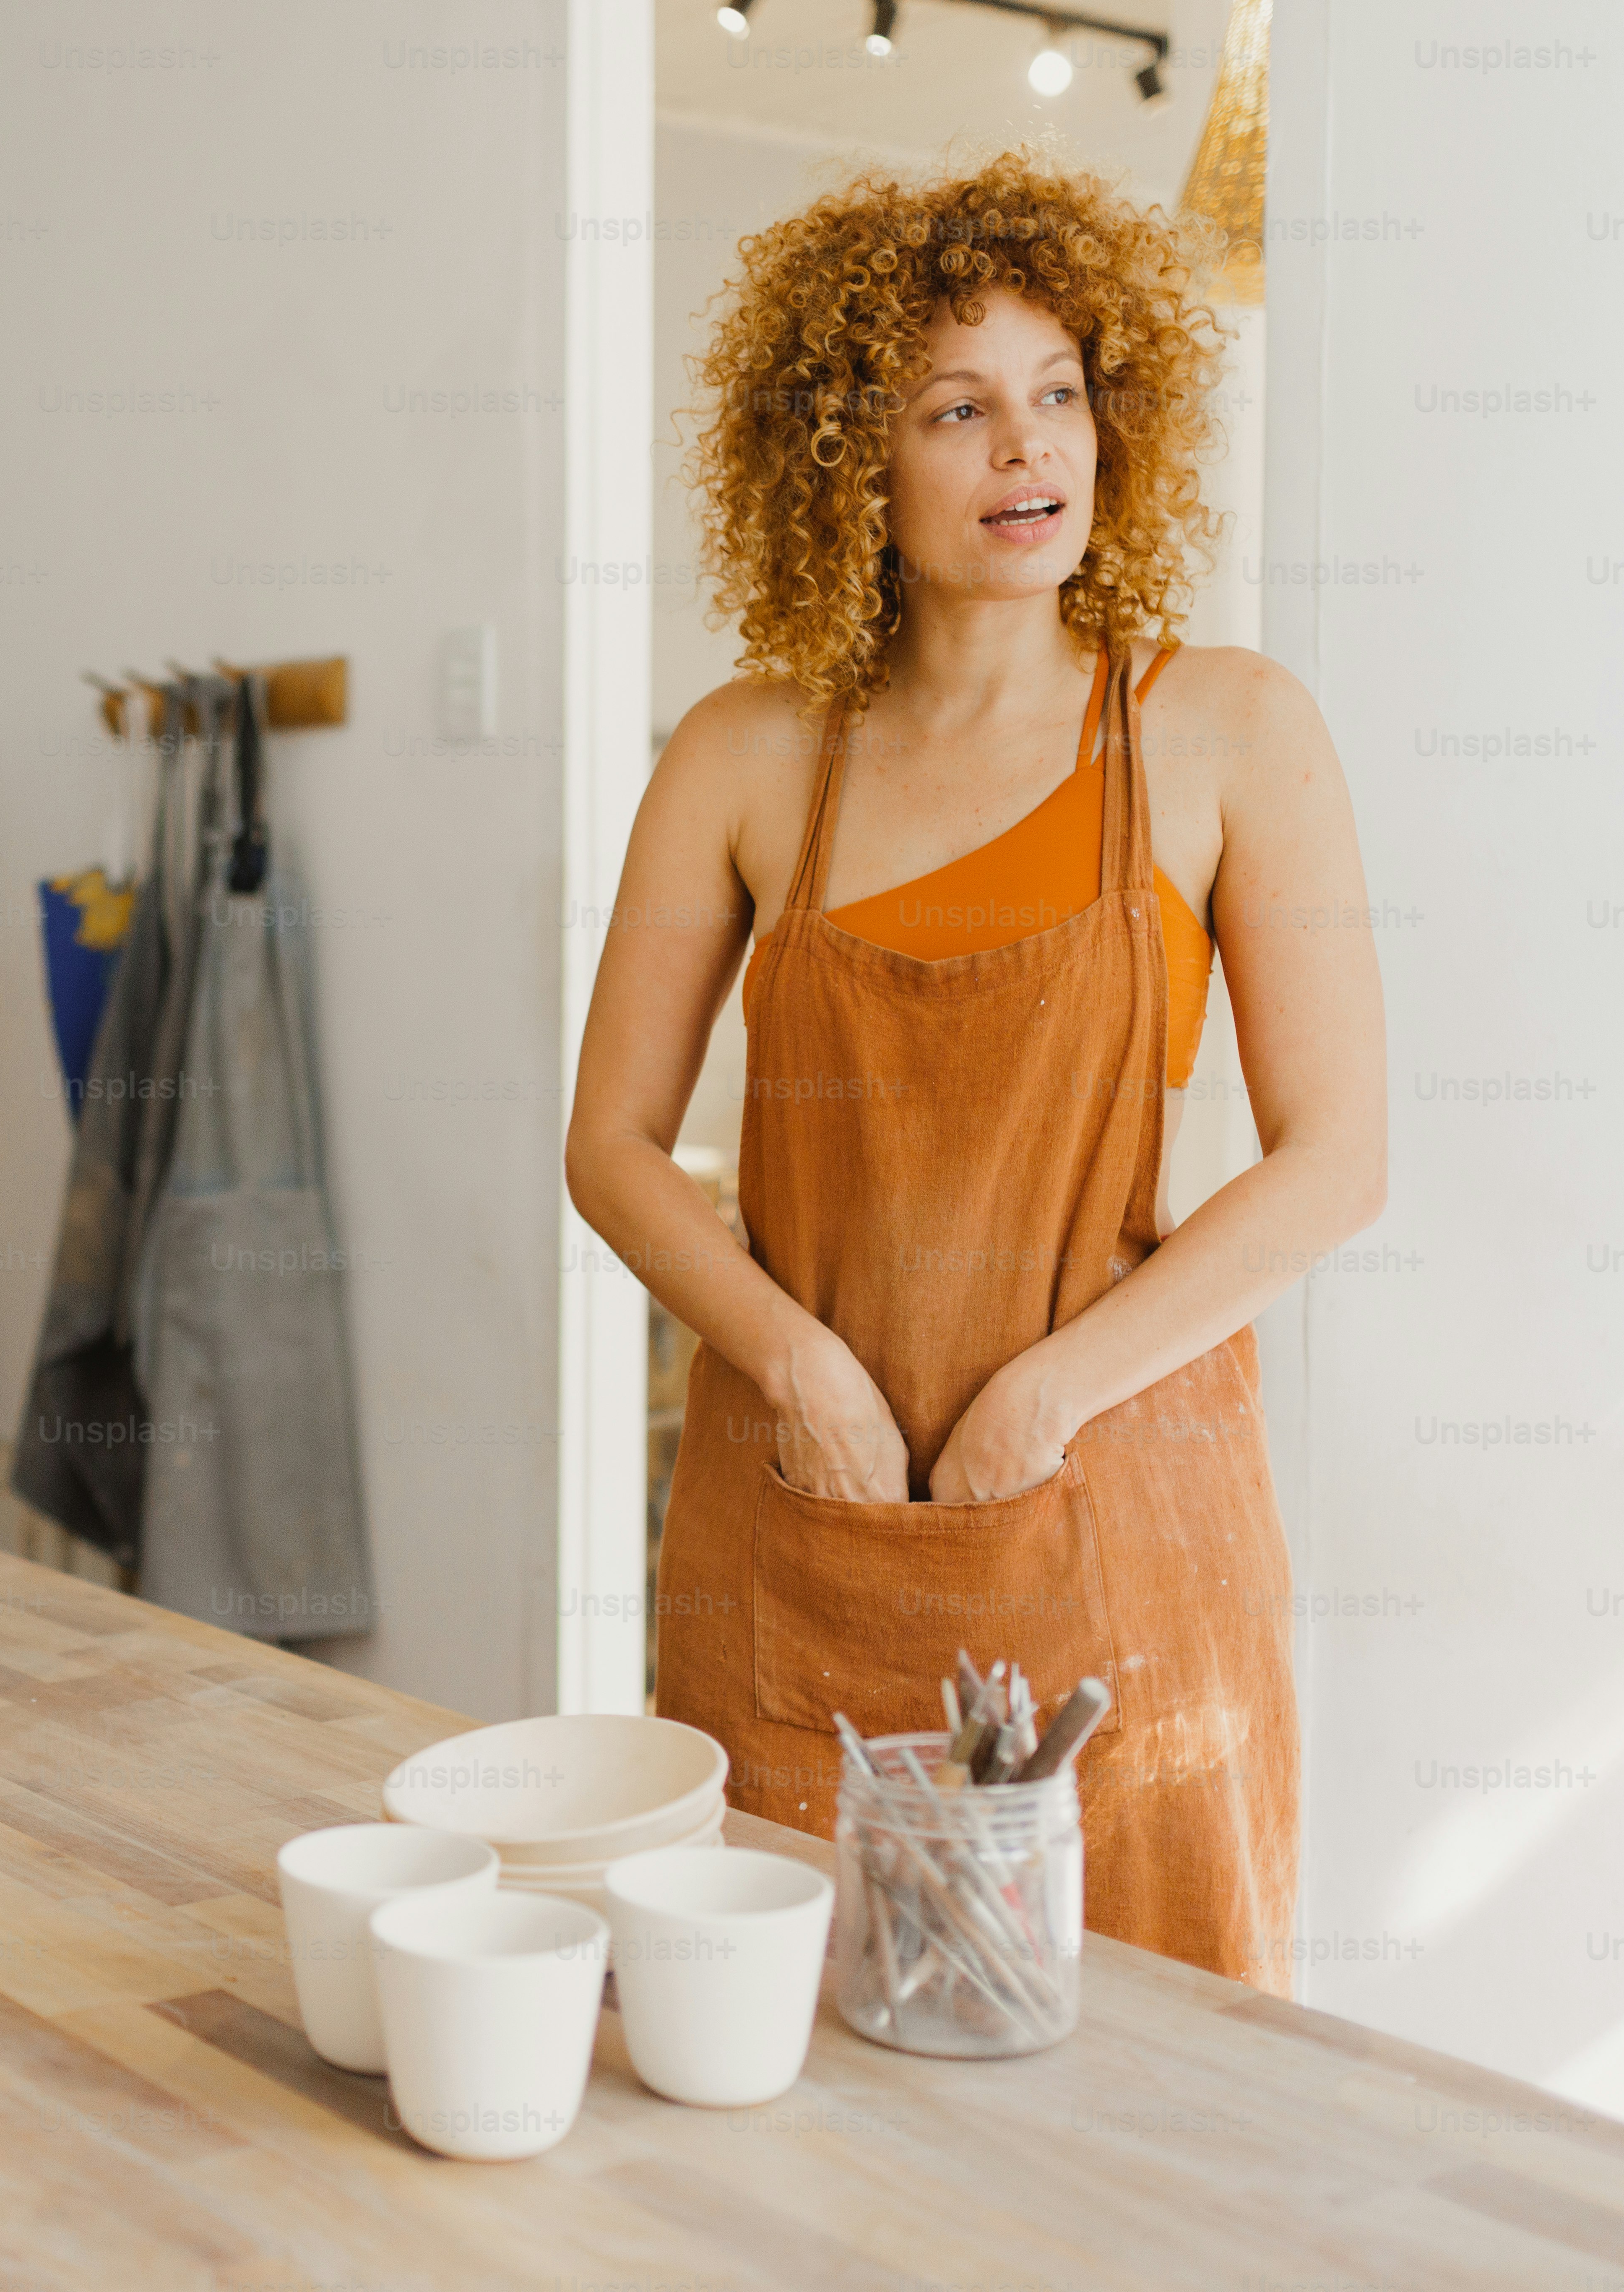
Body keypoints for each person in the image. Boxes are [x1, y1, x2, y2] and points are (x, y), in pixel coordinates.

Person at [565, 151, 1385, 1990]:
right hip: (802, 1497)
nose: (1028, 449)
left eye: (1057, 392)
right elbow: (609, 1144)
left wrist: (1048, 1395)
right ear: (847, 458)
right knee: (786, 2049)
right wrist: (796, 1363)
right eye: (955, 407)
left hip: (1118, 1506)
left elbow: (1334, 1159)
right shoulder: (744, 751)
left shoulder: (1230, 728)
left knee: (1152, 2074)